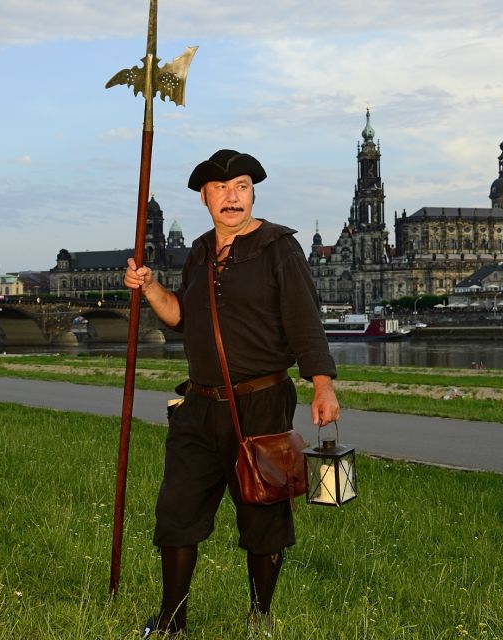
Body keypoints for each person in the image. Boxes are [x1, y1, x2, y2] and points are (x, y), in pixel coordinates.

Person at [124, 149, 340, 637]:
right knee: (177, 509)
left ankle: (260, 616)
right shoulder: (199, 252)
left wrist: (322, 384)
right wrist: (150, 287)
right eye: (221, 189)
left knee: (262, 508)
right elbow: (182, 316)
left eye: (241, 187)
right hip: (198, 405)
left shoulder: (279, 247)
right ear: (204, 197)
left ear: (252, 193)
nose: (232, 197)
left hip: (261, 400)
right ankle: (172, 621)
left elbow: (305, 322)